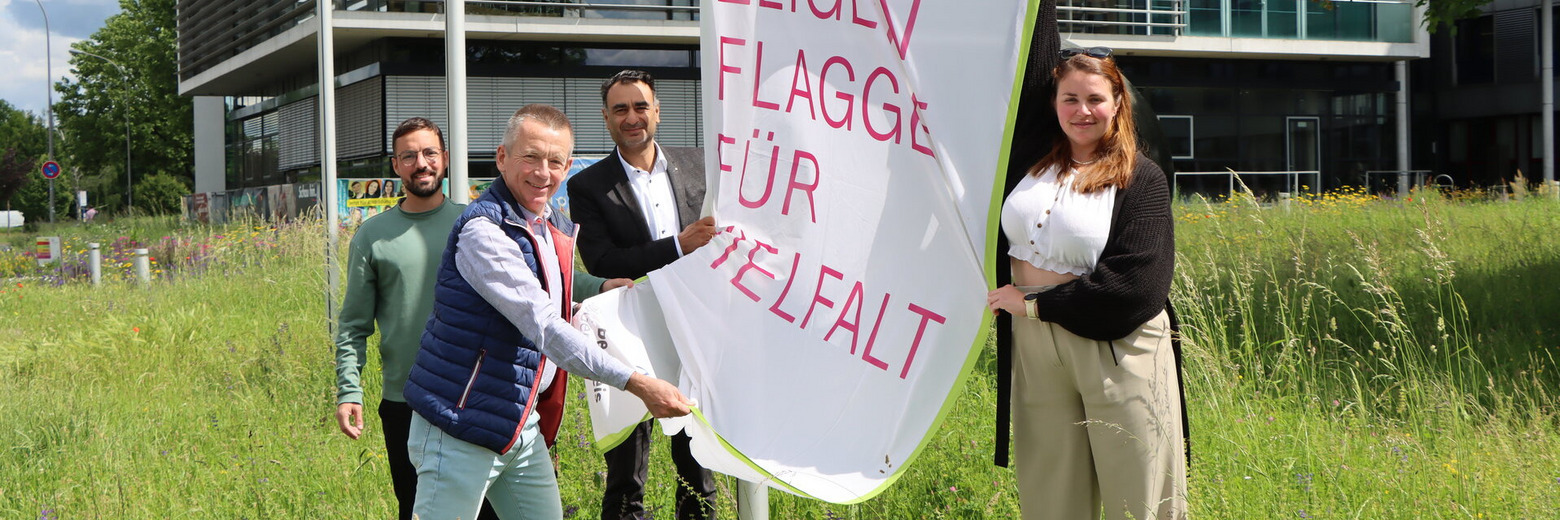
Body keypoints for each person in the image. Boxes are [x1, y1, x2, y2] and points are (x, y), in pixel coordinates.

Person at [403, 104, 693, 520]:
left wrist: (601, 307)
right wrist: (639, 383)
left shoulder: (546, 220)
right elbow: (542, 324)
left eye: (555, 161)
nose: (543, 172)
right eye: (531, 157)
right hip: (458, 424)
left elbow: (551, 305)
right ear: (502, 158)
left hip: (518, 423)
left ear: (569, 166)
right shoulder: (484, 232)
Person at [985, 48, 1186, 520]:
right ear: (1052, 104)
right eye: (1069, 98)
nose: (1082, 111)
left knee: (1140, 497)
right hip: (1035, 345)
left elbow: (1134, 289)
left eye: (1095, 98)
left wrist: (1032, 305)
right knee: (1050, 497)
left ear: (1118, 102)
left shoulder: (1141, 179)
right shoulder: (1028, 166)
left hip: (1117, 345)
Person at [566, 69, 718, 520]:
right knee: (627, 475)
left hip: (696, 333)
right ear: (606, 118)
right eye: (620, 109)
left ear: (657, 112)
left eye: (640, 106)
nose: (631, 117)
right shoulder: (587, 185)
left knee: (699, 467)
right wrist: (677, 247)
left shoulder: (700, 164)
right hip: (630, 334)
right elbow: (602, 263)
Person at [333, 117, 492, 520]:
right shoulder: (372, 236)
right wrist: (349, 391)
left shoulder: (475, 223)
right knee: (417, 510)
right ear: (395, 165)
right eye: (409, 156)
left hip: (474, 396)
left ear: (446, 159)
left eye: (429, 153)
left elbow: (536, 278)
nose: (421, 163)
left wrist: (597, 286)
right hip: (406, 402)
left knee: (487, 511)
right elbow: (353, 326)